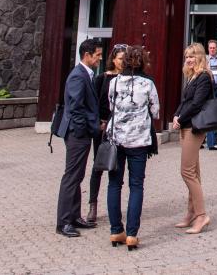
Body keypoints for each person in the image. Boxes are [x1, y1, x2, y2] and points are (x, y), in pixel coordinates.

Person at [105, 45, 160, 251]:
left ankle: (115, 230)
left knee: (114, 185)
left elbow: (111, 106)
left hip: (116, 139)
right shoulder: (148, 83)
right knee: (136, 185)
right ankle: (132, 234)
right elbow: (155, 111)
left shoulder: (115, 82)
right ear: (143, 61)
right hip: (138, 141)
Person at [55, 38, 103, 237]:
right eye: (98, 55)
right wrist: (86, 129)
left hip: (81, 133)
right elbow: (76, 108)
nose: (100, 58)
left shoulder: (86, 74)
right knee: (72, 176)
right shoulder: (78, 76)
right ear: (87, 55)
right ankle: (64, 221)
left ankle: (74, 216)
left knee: (77, 176)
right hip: (77, 134)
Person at [171, 42, 212, 234]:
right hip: (185, 127)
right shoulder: (191, 77)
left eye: (192, 56)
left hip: (194, 129)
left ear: (200, 58)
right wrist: (176, 115)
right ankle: (191, 213)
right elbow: (185, 101)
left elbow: (196, 104)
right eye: (187, 56)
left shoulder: (203, 77)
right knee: (194, 172)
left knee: (186, 172)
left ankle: (202, 215)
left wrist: (181, 117)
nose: (188, 59)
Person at [88, 43, 126, 222]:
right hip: (102, 128)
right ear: (113, 59)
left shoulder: (128, 79)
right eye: (120, 59)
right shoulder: (102, 78)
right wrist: (99, 122)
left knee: (117, 166)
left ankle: (114, 206)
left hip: (120, 128)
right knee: (99, 165)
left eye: (126, 59)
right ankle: (92, 204)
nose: (123, 62)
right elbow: (94, 103)